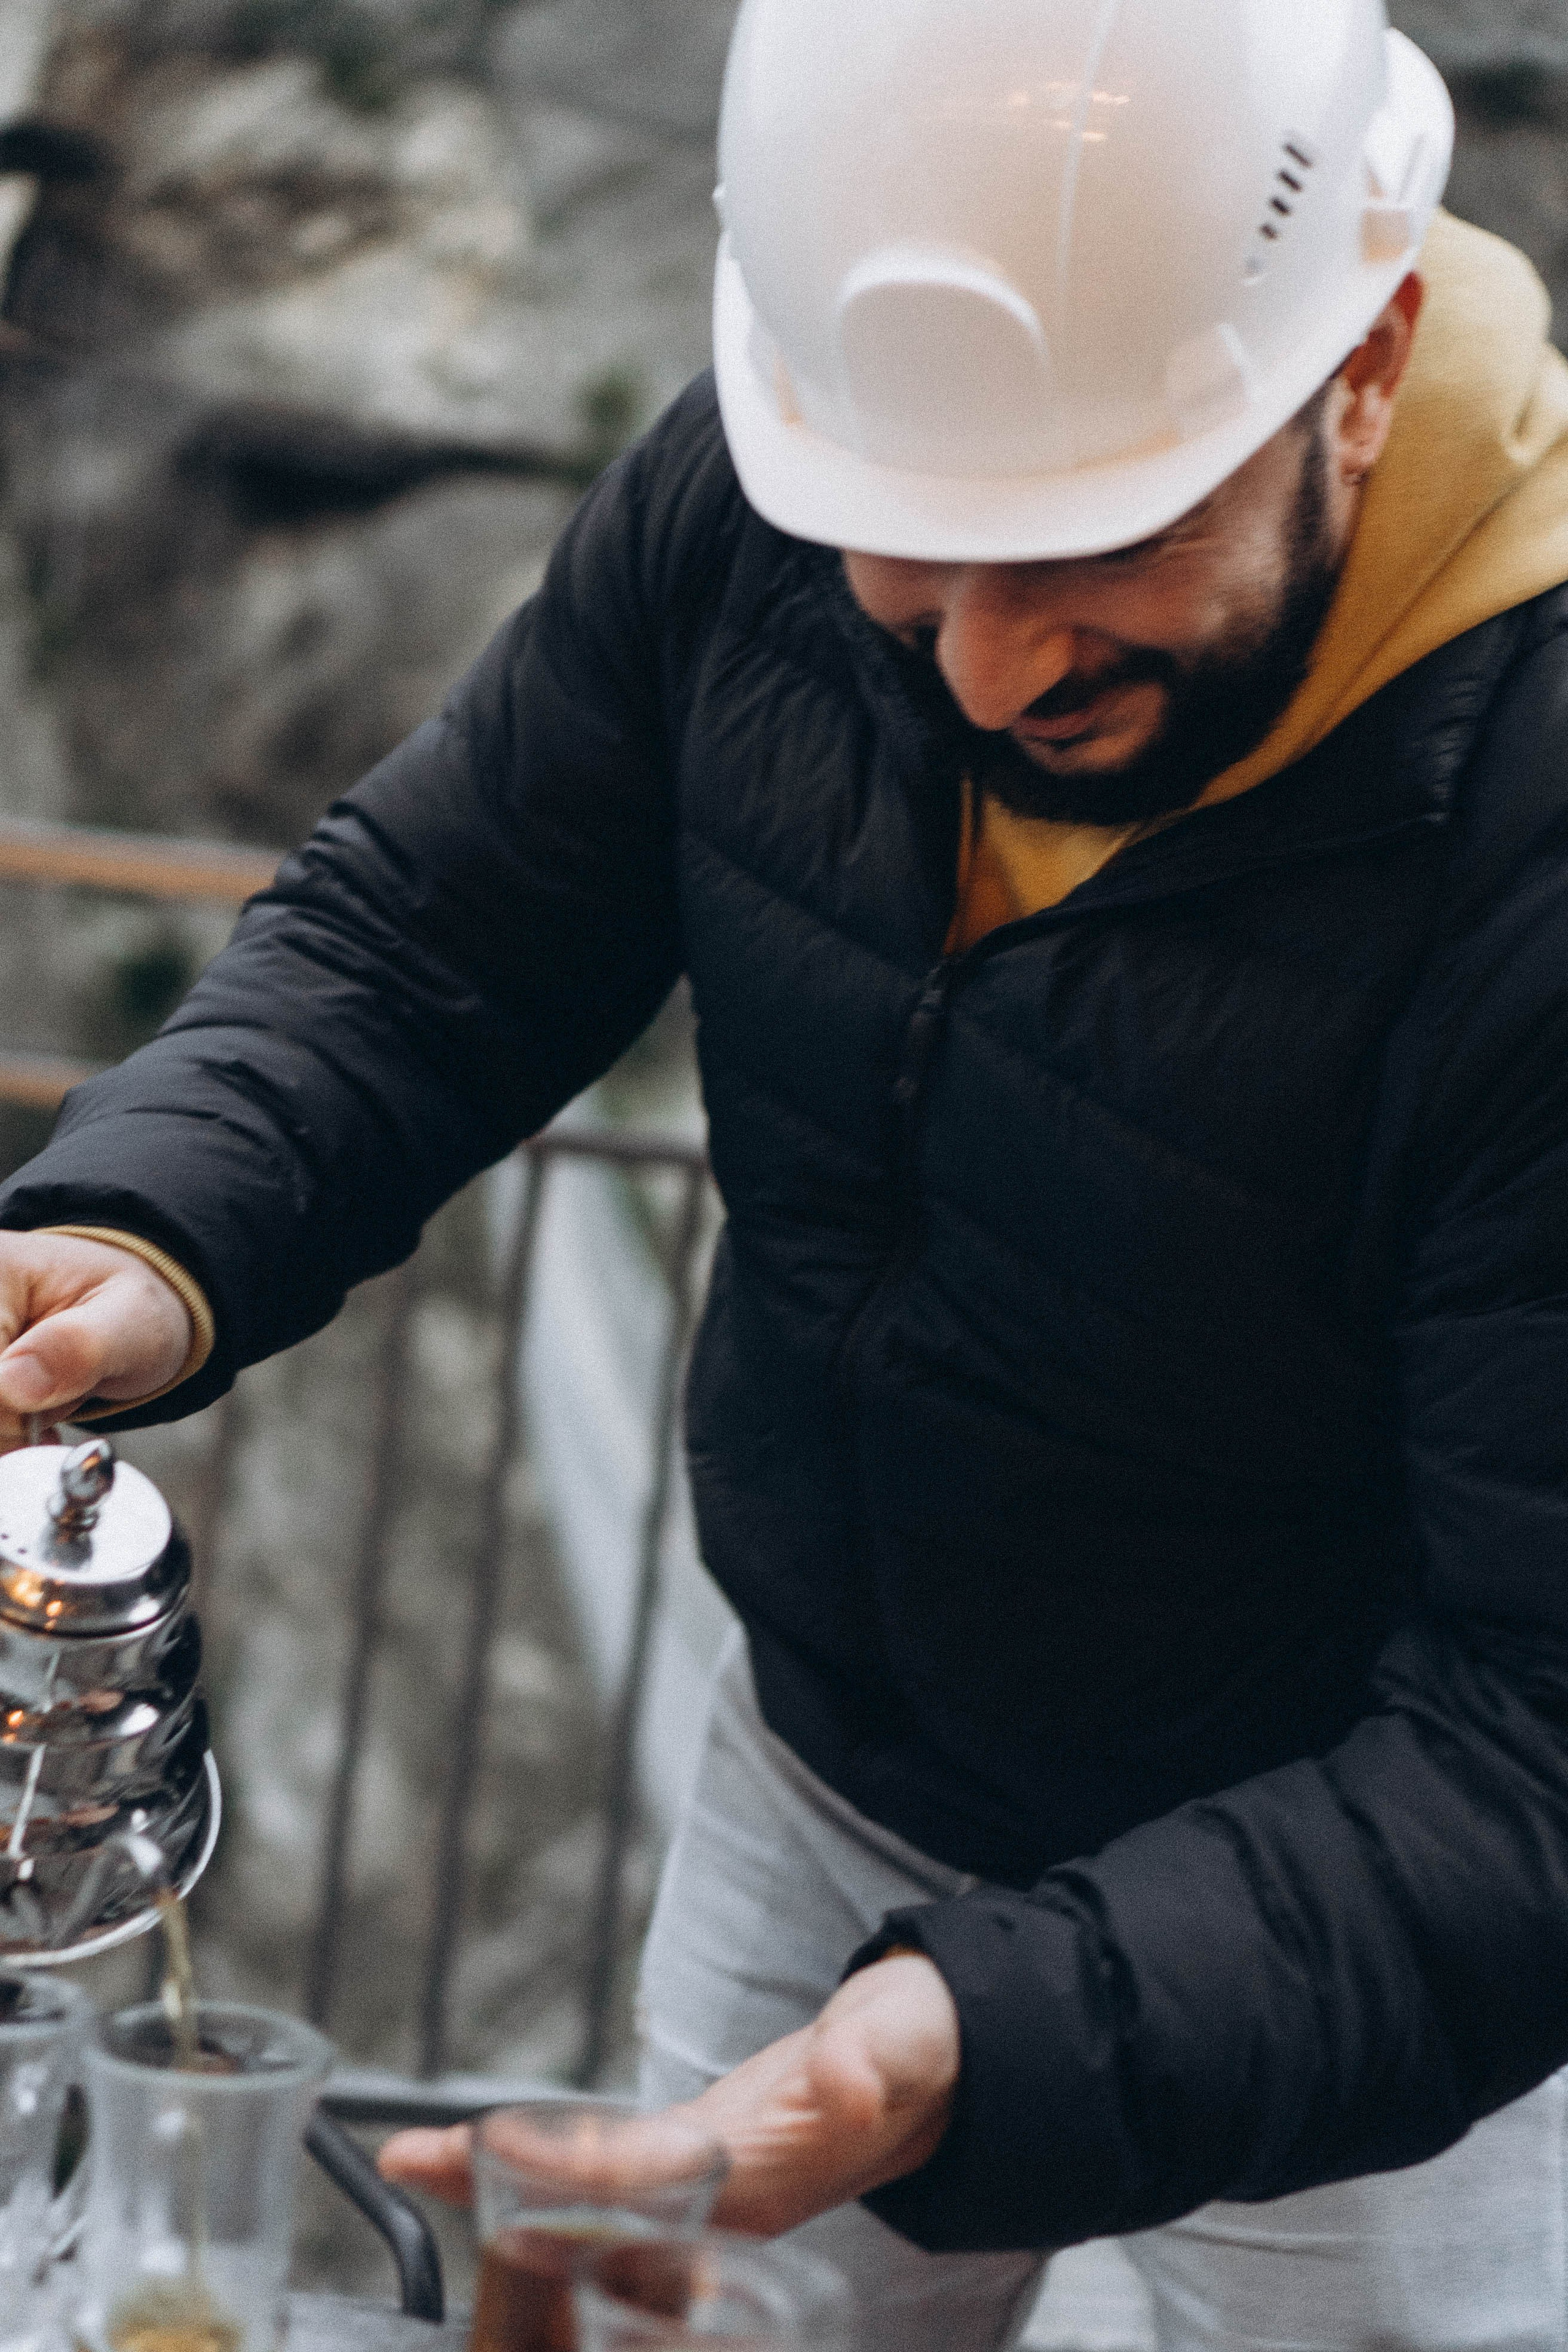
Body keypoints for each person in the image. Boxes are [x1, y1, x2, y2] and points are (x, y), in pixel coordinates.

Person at [6, 1, 1568, 2342]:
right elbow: (440, 930)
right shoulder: (771, 478)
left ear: (1365, 363)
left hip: (1371, 1980)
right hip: (826, 1775)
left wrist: (973, 2038)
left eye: (1096, 540)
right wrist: (137, 1234)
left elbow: (1536, 1743)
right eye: (909, 560)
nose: (987, 664)